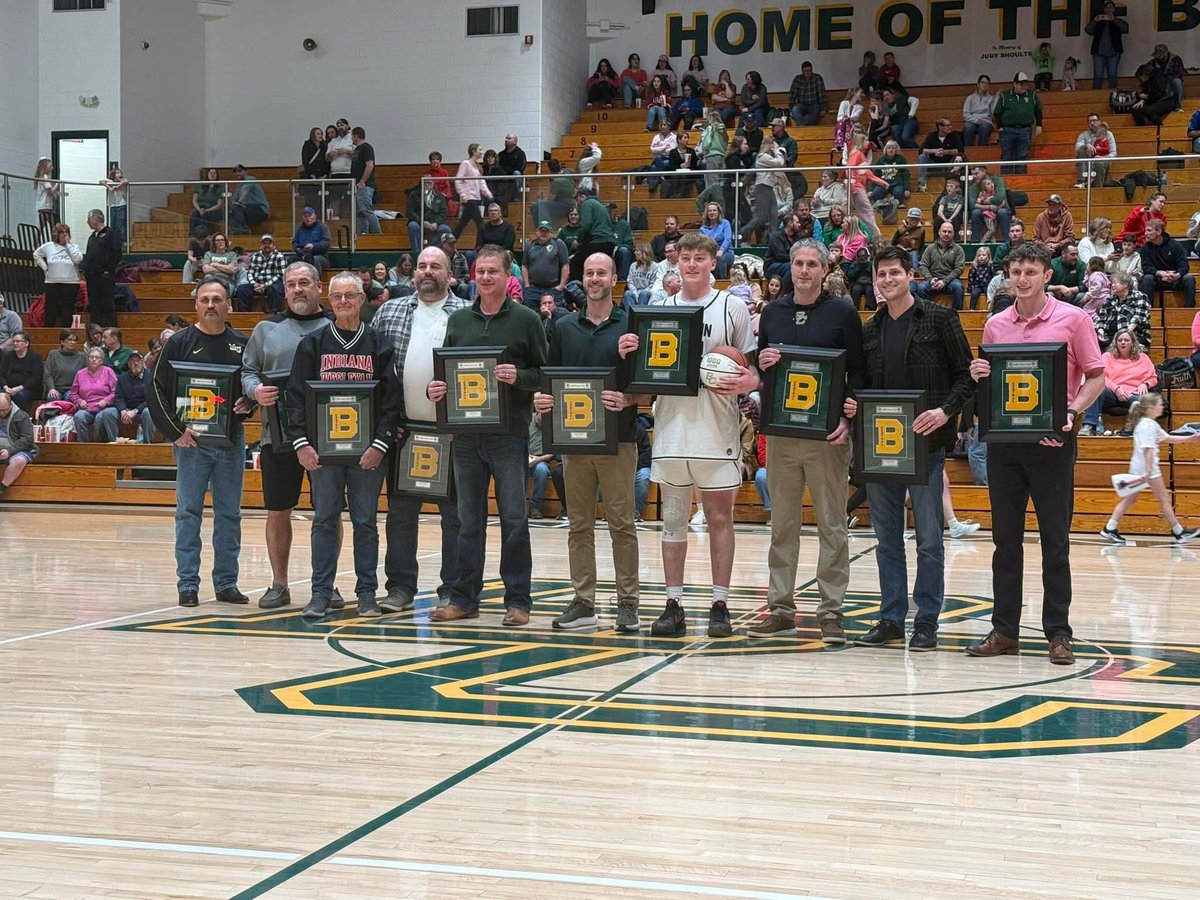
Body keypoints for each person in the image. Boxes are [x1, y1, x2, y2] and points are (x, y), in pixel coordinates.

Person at [965, 241, 1104, 665]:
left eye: (1030, 271)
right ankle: (1005, 630)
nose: (1022, 279)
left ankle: (1059, 633)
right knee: (1005, 543)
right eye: (1016, 271)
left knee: (1054, 543)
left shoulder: (1074, 319)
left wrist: (1072, 410)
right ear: (1008, 275)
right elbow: (992, 387)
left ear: (1047, 275)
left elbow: (1096, 377)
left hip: (1053, 444)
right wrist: (979, 375)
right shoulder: (995, 325)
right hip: (1006, 447)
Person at [614, 233, 757, 638]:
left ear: (715, 262)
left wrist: (748, 379)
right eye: (686, 258)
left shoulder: (732, 307)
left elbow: (752, 370)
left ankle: (720, 604)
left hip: (717, 429)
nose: (692, 265)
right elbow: (643, 375)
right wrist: (630, 350)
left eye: (700, 258)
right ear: (676, 263)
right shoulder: (658, 310)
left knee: (719, 518)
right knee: (673, 520)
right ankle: (673, 604)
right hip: (672, 429)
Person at [848, 245, 974, 651]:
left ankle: (926, 621)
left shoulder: (940, 318)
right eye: (881, 275)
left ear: (910, 275)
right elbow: (860, 386)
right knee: (886, 540)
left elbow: (967, 376)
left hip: (927, 445)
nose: (887, 281)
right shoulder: (869, 330)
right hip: (881, 449)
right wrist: (853, 403)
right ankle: (890, 618)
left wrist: (944, 412)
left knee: (930, 540)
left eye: (894, 273)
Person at [748, 239, 864, 641]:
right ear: (790, 268)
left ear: (824, 269)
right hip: (782, 434)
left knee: (833, 524)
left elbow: (860, 373)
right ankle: (780, 608)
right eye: (798, 263)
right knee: (782, 525)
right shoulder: (772, 313)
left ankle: (831, 610)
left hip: (828, 437)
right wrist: (761, 364)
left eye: (812, 264)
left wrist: (848, 418)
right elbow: (763, 365)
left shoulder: (843, 313)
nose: (804, 270)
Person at [427, 245, 548, 627]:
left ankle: (518, 601)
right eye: (480, 271)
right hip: (465, 438)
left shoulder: (527, 320)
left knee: (514, 518)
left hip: (509, 435)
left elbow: (545, 376)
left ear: (508, 275)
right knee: (468, 522)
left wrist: (520, 377)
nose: (485, 277)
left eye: (493, 271)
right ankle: (464, 598)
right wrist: (437, 390)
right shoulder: (459, 321)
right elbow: (446, 372)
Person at [532, 253, 640, 631]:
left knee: (622, 525)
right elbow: (551, 378)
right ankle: (584, 601)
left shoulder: (631, 325)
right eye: (589, 273)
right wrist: (542, 401)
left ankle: (628, 603)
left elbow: (646, 384)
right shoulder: (563, 327)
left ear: (615, 279)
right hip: (575, 441)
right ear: (583, 279)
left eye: (602, 273)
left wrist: (630, 398)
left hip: (620, 440)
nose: (595, 279)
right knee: (579, 525)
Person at [287, 272, 402, 619]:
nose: (343, 302)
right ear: (329, 300)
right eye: (337, 297)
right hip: (324, 454)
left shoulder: (379, 345)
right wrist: (302, 445)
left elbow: (391, 403)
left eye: (350, 295)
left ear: (362, 298)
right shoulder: (313, 344)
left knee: (365, 521)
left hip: (368, 452)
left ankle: (366, 593)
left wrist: (379, 446)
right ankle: (320, 592)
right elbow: (294, 398)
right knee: (324, 520)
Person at [370, 246, 471, 613]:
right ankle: (399, 587)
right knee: (400, 514)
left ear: (450, 274)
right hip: (403, 432)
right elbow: (374, 372)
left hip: (453, 433)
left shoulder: (467, 313)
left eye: (436, 266)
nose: (427, 271)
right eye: (422, 266)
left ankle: (453, 589)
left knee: (454, 517)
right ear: (414, 273)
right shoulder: (390, 310)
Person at [147, 278, 250, 608]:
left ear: (228, 305)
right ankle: (187, 584)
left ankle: (226, 582)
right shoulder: (178, 342)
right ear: (196, 305)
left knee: (229, 514)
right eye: (204, 299)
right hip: (191, 443)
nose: (210, 305)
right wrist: (176, 432)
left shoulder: (242, 344)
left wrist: (250, 405)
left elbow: (252, 388)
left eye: (217, 299)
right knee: (188, 513)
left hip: (231, 442)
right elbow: (156, 390)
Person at [241, 262, 337, 610]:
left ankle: (327, 584)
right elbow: (248, 371)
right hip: (276, 437)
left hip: (329, 436)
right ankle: (279, 583)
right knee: (278, 509)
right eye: (291, 284)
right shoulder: (266, 329)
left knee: (328, 513)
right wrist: (255, 392)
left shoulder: (336, 327)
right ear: (285, 290)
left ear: (318, 287)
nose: (298, 289)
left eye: (304, 283)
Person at [1101, 394, 1200, 544]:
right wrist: (1147, 472)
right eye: (1160, 404)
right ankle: (1179, 532)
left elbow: (1167, 438)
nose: (1162, 407)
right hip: (1148, 469)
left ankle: (1110, 528)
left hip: (1141, 468)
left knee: (1131, 499)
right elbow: (1148, 449)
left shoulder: (1149, 424)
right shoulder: (1147, 426)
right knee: (1164, 499)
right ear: (1151, 407)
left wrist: (1189, 438)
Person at [1081, 329, 1158, 436]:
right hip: (1111, 394)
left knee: (1142, 401)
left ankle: (1136, 429)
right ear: (1115, 343)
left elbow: (1153, 378)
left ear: (1132, 343)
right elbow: (1100, 377)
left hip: (1133, 394)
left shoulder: (1143, 358)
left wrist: (1145, 384)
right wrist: (1116, 389)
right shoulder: (1107, 356)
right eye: (1120, 340)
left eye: (1126, 340)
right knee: (1096, 388)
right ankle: (1089, 425)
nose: (1122, 342)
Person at [96, 349, 153, 442]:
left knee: (149, 412)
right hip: (126, 411)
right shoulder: (122, 378)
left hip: (142, 410)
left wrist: (135, 411)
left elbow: (152, 399)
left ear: (143, 362)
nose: (135, 363)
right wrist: (122, 410)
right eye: (132, 361)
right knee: (108, 412)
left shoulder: (151, 376)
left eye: (138, 361)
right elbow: (118, 398)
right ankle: (114, 442)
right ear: (128, 364)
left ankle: (147, 444)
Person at [34, 223, 83, 329]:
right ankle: (49, 332)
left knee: (68, 309)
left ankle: (68, 333)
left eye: (67, 233)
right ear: (57, 235)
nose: (64, 235)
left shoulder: (74, 247)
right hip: (52, 282)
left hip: (71, 282)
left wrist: (68, 245)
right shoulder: (48, 246)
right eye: (62, 233)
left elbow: (78, 260)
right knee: (50, 308)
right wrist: (45, 267)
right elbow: (36, 255)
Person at [993, 72, 1043, 175]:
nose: (1024, 87)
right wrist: (1000, 127)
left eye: (1025, 84)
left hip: (1025, 129)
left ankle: (1021, 180)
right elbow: (997, 112)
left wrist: (1039, 125)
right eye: (1021, 84)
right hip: (1007, 130)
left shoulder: (1032, 95)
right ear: (1014, 84)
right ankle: (1006, 180)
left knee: (1022, 155)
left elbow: (1038, 111)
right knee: (1007, 155)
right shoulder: (1005, 96)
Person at [1139, 220, 1195, 308]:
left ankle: (1189, 309)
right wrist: (1159, 273)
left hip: (1174, 279)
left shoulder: (1175, 245)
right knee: (1146, 278)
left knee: (1189, 278)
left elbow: (1184, 266)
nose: (1145, 233)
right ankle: (1147, 310)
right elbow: (1146, 267)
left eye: (1149, 230)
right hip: (1157, 279)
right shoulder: (1145, 249)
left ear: (1158, 232)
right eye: (1145, 230)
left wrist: (1177, 275)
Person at [83, 209, 121, 327]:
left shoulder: (110, 234)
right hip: (91, 276)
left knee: (107, 303)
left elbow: (116, 254)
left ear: (95, 219)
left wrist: (108, 271)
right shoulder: (92, 237)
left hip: (104, 276)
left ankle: (112, 329)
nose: (87, 221)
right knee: (94, 305)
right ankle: (95, 330)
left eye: (89, 219)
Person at [568, 190, 616, 282]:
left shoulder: (587, 204)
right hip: (608, 243)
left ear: (581, 197)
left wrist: (578, 240)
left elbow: (586, 225)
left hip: (597, 242)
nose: (577, 203)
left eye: (577, 199)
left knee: (575, 263)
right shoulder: (600, 206)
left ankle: (576, 292)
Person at [916, 222, 966, 309]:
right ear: (939, 232)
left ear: (953, 233)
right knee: (921, 288)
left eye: (949, 232)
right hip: (932, 280)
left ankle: (955, 315)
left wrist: (945, 281)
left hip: (950, 281)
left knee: (958, 287)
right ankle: (925, 314)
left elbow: (959, 268)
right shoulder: (930, 248)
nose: (947, 234)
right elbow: (923, 265)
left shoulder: (958, 249)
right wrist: (930, 279)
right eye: (944, 231)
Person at [70, 347, 116, 441]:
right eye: (91, 357)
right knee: (78, 417)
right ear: (87, 359)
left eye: (97, 357)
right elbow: (73, 393)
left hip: (104, 407)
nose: (94, 359)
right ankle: (83, 445)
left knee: (100, 418)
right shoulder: (80, 373)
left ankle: (97, 446)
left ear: (101, 360)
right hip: (87, 408)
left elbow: (116, 391)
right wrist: (79, 401)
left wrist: (106, 401)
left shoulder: (108, 371)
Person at [1096, 272, 1151, 351]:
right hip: (1111, 335)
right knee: (1093, 340)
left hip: (1134, 335)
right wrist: (1100, 330)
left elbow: (1138, 318)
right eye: (1112, 283)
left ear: (1125, 284)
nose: (1112, 286)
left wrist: (1124, 335)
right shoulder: (1109, 300)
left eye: (1115, 283)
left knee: (1125, 342)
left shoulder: (1140, 296)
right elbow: (1102, 318)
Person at [234, 235, 287, 313]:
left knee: (274, 290)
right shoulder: (255, 256)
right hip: (257, 285)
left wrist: (265, 285)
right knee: (242, 289)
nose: (267, 245)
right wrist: (254, 284)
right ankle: (244, 315)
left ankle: (275, 315)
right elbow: (250, 272)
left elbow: (281, 275)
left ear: (274, 245)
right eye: (264, 243)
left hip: (273, 284)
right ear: (261, 246)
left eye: (269, 243)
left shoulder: (279, 256)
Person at [452, 143, 493, 240]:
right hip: (469, 198)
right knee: (480, 222)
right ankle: (485, 242)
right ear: (474, 151)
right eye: (480, 150)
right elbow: (458, 180)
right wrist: (463, 195)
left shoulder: (477, 166)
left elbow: (481, 182)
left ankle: (451, 240)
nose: (482, 152)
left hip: (476, 197)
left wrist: (488, 194)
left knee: (462, 223)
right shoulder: (466, 163)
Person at [0, 390, 36, 499]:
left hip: (17, 450)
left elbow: (27, 439)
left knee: (19, 461)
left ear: (11, 405)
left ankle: (1, 488)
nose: (2, 413)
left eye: (4, 410)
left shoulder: (22, 416)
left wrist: (10, 451)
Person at [1085, 1, 1127, 89]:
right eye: (1107, 7)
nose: (1108, 9)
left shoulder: (1117, 21)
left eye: (1110, 7)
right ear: (1104, 9)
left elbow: (1125, 28)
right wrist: (1095, 20)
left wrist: (1114, 19)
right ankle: (1095, 97)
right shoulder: (1099, 21)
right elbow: (1088, 30)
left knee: (1112, 75)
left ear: (1114, 10)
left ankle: (1113, 96)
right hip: (1098, 53)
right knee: (1098, 75)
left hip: (1113, 53)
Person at [916, 118, 965, 192]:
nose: (950, 127)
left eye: (950, 125)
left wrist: (944, 152)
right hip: (935, 166)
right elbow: (922, 150)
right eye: (948, 125)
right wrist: (935, 151)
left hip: (949, 165)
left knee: (958, 157)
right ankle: (922, 184)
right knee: (922, 157)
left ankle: (954, 183)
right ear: (940, 127)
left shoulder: (955, 135)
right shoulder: (931, 136)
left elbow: (960, 150)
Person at [967, 165, 1011, 243]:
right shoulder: (973, 187)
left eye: (976, 173)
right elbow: (972, 204)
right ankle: (975, 243)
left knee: (1003, 212)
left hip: (1000, 208)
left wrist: (984, 202)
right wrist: (989, 206)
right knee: (975, 213)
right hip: (984, 211)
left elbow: (1000, 197)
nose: (974, 176)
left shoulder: (998, 180)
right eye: (972, 174)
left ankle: (1007, 243)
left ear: (984, 172)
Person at [0, 332, 41, 410]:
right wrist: (5, 386)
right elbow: (1, 374)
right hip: (8, 387)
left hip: (28, 389)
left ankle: (18, 419)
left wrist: (19, 388)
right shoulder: (7, 356)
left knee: (20, 395)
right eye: (14, 341)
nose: (15, 343)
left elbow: (36, 379)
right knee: (1, 394)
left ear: (26, 343)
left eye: (18, 341)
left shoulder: (35, 357)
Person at [1074, 114, 1117, 188]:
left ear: (1099, 122)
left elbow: (1113, 153)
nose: (1092, 123)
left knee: (1098, 163)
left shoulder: (1108, 134)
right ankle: (1082, 182)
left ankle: (1097, 188)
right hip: (1089, 160)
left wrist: (1102, 157)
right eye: (1090, 121)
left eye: (1094, 120)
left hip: (1102, 160)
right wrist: (1086, 145)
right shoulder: (1084, 134)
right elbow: (1077, 147)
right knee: (1081, 151)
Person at [43, 329, 85, 402]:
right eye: (69, 340)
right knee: (53, 397)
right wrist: (51, 388)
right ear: (62, 342)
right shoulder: (53, 354)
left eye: (74, 340)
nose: (72, 342)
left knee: (71, 398)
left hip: (72, 390)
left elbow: (85, 375)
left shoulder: (82, 357)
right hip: (56, 389)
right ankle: (53, 413)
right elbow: (47, 374)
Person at [291, 206, 331, 277]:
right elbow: (295, 243)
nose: (308, 218)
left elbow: (327, 243)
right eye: (305, 216)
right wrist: (297, 249)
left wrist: (314, 246)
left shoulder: (322, 227)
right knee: (290, 259)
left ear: (315, 216)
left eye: (310, 215)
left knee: (314, 259)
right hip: (302, 256)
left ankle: (315, 281)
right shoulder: (299, 229)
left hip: (320, 256)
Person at [230, 164, 270, 232]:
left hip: (260, 210)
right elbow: (234, 199)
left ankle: (244, 228)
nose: (238, 173)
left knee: (246, 208)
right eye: (236, 172)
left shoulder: (250, 179)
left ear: (245, 172)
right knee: (230, 214)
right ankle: (240, 231)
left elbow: (246, 189)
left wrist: (239, 202)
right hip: (247, 210)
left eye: (240, 171)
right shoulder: (238, 186)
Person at [699, 201, 734, 279]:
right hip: (710, 254)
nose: (712, 212)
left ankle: (721, 283)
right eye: (709, 211)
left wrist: (721, 251)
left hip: (726, 253)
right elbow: (703, 244)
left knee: (720, 260)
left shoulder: (725, 223)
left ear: (719, 212)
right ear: (707, 213)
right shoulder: (703, 229)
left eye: (714, 210)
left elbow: (727, 239)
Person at [788, 60, 827, 126]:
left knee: (816, 109)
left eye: (809, 70)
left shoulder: (817, 78)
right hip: (801, 104)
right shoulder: (797, 79)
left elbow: (822, 94)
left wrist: (823, 108)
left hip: (814, 104)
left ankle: (810, 128)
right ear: (802, 71)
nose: (808, 72)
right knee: (795, 110)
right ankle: (802, 128)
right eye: (806, 71)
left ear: (812, 70)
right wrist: (791, 110)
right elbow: (792, 95)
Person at [1149, 43, 1185, 111]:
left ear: (1165, 54)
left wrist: (1167, 79)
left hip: (1172, 79)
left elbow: (1180, 73)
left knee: (1177, 82)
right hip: (1160, 82)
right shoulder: (1153, 62)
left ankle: (1177, 106)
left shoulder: (1176, 59)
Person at [190, 168, 226, 236]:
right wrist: (199, 209)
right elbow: (194, 200)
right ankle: (192, 235)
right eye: (210, 173)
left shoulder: (221, 187)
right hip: (200, 208)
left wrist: (207, 210)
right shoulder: (199, 185)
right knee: (194, 215)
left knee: (205, 215)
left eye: (214, 173)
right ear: (207, 174)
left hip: (213, 210)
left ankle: (204, 235)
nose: (212, 175)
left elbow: (219, 204)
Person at [962, 75, 996, 146]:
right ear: (978, 84)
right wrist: (976, 120)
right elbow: (965, 114)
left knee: (984, 127)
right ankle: (968, 151)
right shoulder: (970, 98)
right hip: (972, 121)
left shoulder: (991, 98)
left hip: (986, 121)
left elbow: (993, 115)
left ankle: (982, 150)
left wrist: (996, 99)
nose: (985, 85)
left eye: (987, 83)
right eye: (983, 82)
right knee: (968, 127)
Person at [100, 166, 129, 248]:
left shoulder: (122, 181)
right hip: (113, 206)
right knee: (113, 224)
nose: (119, 174)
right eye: (117, 173)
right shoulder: (110, 181)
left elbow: (126, 181)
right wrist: (109, 187)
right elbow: (101, 181)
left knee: (121, 224)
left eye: (120, 173)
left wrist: (117, 186)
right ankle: (113, 241)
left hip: (121, 205)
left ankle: (122, 241)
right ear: (113, 175)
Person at [34, 157, 60, 230]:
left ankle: (35, 241)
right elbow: (50, 191)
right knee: (54, 225)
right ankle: (56, 240)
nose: (52, 168)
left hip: (42, 205)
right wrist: (58, 183)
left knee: (41, 226)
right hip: (45, 205)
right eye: (50, 166)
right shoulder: (44, 177)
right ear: (45, 168)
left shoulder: (41, 177)